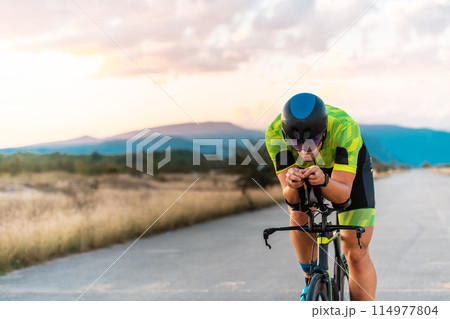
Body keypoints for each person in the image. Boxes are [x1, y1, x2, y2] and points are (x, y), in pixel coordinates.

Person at [265, 92, 376, 301]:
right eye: (295, 143)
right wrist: (291, 183)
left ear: (324, 132)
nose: (305, 149)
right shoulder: (274, 133)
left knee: (357, 252)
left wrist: (325, 181)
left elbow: (343, 197)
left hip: (347, 171)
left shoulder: (345, 128)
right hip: (309, 171)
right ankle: (310, 280)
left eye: (313, 140)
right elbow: (290, 199)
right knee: (298, 214)